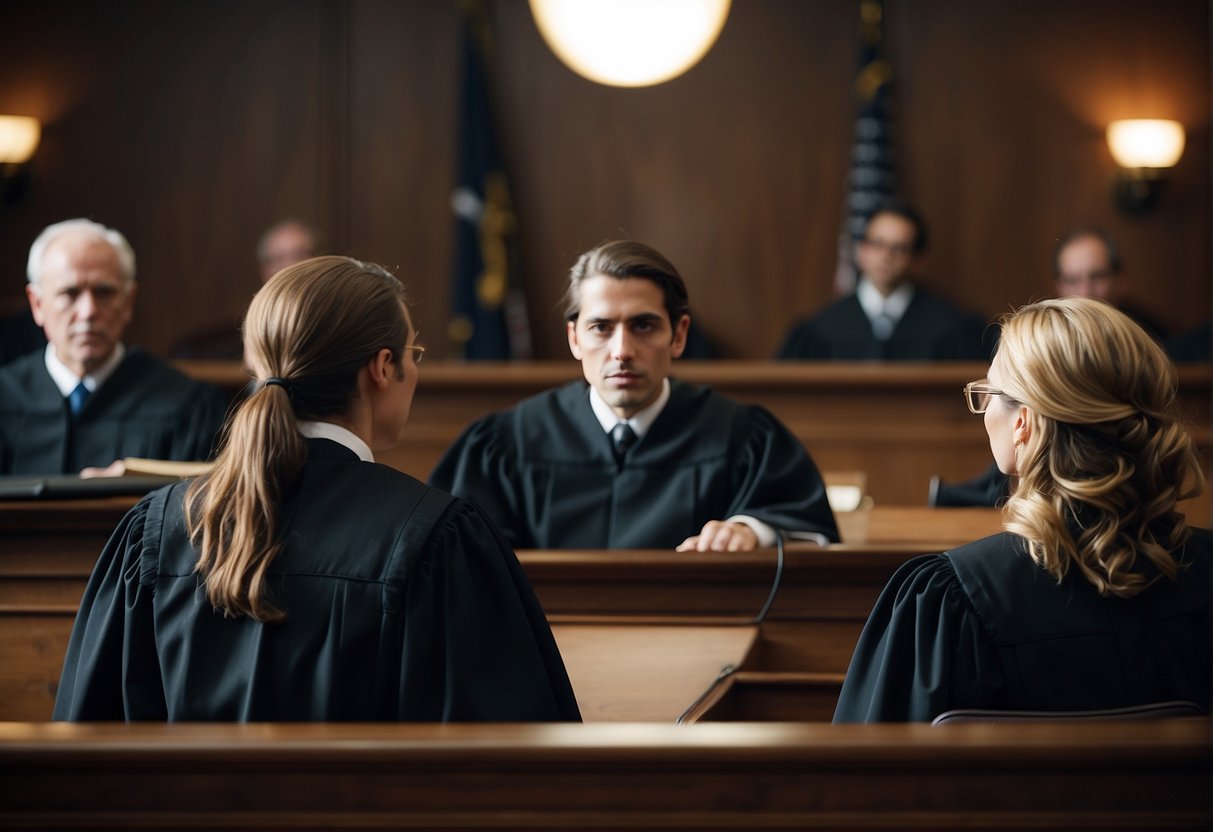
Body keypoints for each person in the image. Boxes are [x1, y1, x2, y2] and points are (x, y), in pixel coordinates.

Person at [54, 255, 580, 721]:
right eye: (412, 352)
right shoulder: (436, 536)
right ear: (383, 368)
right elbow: (503, 758)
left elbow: (90, 746)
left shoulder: (156, 528)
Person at [834, 297, 1209, 722]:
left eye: (990, 392)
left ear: (1023, 422)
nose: (985, 410)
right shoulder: (1206, 574)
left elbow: (869, 776)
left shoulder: (949, 600)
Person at [430, 240, 839, 551]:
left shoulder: (741, 436)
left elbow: (807, 526)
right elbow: (454, 555)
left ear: (678, 336)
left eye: (643, 326)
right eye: (601, 327)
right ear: (574, 338)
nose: (622, 351)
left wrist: (751, 530)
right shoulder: (507, 442)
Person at [0, 218, 228, 475]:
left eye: (104, 292)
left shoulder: (188, 405)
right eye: (70, 293)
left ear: (129, 301)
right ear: (37, 304)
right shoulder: (5, 398)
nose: (88, 312)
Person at [778, 201, 990, 361]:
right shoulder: (820, 329)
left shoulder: (952, 328)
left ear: (917, 260)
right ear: (861, 251)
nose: (886, 256)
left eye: (898, 248)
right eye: (877, 244)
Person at [172, 218, 320, 359]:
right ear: (264, 270)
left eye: (301, 255)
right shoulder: (219, 348)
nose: (291, 266)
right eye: (278, 259)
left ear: (321, 261)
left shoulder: (336, 328)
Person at [1052, 227, 1168, 341]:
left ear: (1120, 280)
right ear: (1058, 287)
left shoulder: (1151, 339)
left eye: (1098, 277)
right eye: (1071, 280)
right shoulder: (1049, 339)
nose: (1085, 292)